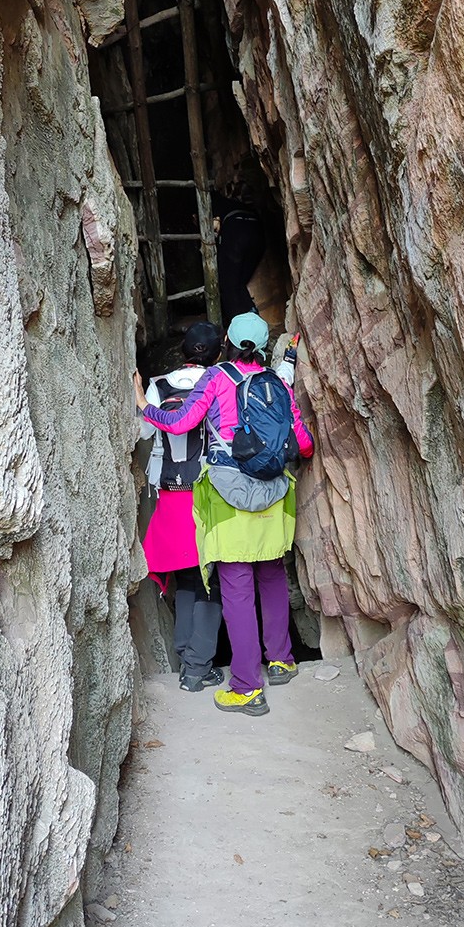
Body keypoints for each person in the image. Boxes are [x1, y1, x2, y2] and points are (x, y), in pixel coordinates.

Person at [133, 312, 314, 716]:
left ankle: (247, 686)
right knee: (271, 577)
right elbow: (303, 443)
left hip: (231, 495)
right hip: (275, 495)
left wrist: (147, 406)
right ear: (262, 347)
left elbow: (180, 423)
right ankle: (281, 661)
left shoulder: (217, 379)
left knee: (235, 588)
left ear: (228, 342)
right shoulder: (278, 383)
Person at [139, 321, 225, 692]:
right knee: (212, 582)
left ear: (184, 351)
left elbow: (142, 431)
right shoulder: (220, 382)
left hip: (170, 494)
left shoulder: (158, 386)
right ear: (218, 353)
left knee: (187, 576)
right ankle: (197, 668)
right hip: (208, 495)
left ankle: (184, 653)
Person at [212, 188, 265, 320]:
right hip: (258, 231)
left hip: (235, 231)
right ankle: (252, 316)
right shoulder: (233, 203)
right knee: (240, 282)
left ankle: (236, 325)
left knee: (228, 284)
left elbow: (214, 226)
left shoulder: (213, 203)